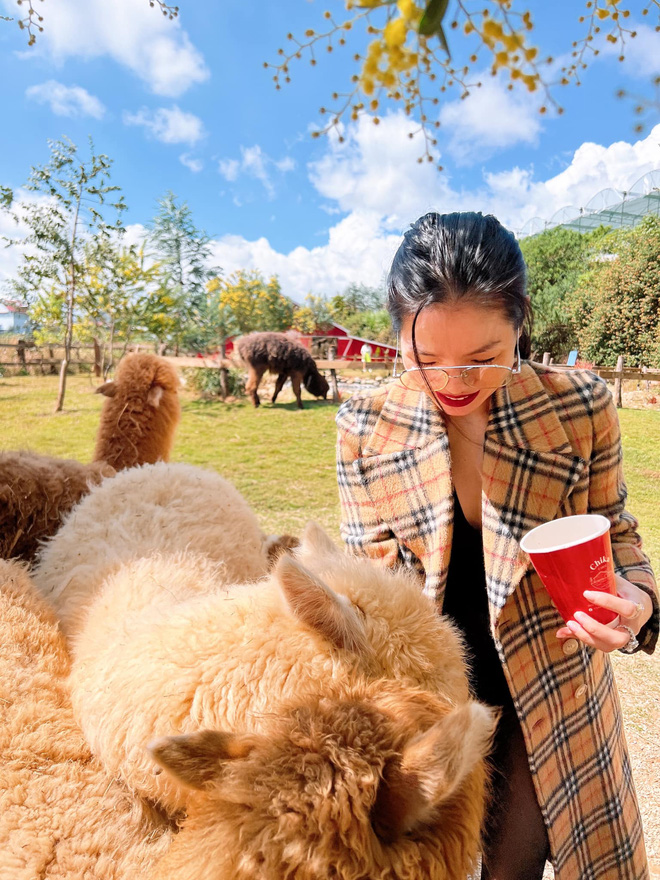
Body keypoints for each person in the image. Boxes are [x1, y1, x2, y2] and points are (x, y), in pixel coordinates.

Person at [335, 212, 658, 880]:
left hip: (553, 691)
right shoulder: (365, 426)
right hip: (429, 699)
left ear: (520, 325)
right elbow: (364, 581)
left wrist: (640, 600)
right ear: (398, 334)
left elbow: (615, 529)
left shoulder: (578, 407)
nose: (454, 380)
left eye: (483, 358)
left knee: (514, 867)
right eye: (426, 358)